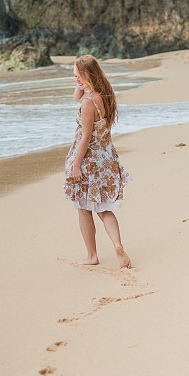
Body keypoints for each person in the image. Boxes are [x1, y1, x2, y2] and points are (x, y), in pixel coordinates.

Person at [63, 54, 132, 268]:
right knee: (104, 209)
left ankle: (92, 255)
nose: (75, 80)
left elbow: (85, 137)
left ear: (88, 74)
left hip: (89, 161)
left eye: (78, 76)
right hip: (106, 158)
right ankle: (117, 244)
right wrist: (82, 82)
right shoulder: (105, 94)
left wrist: (76, 165)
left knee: (83, 209)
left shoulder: (88, 104)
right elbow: (77, 96)